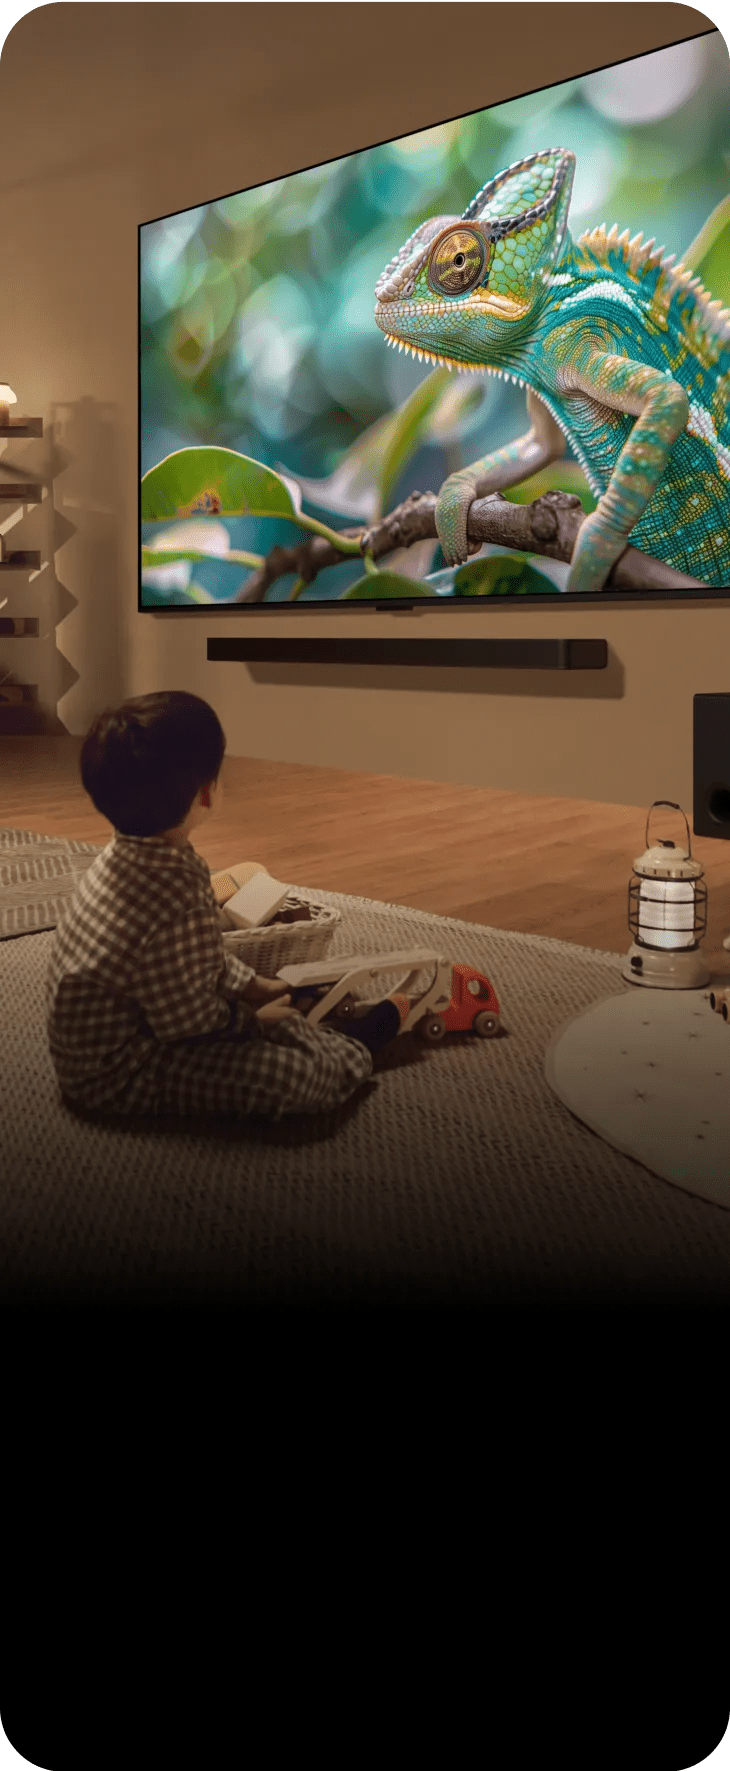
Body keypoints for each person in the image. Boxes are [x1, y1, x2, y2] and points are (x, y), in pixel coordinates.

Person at [46, 691, 413, 1121]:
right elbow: (187, 1024)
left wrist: (252, 986)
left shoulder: (124, 857)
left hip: (99, 1051)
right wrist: (255, 1021)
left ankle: (303, 1030)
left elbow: (193, 963)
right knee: (283, 1077)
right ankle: (356, 1047)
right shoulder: (175, 898)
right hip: (123, 1073)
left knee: (270, 1023)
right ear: (205, 793)